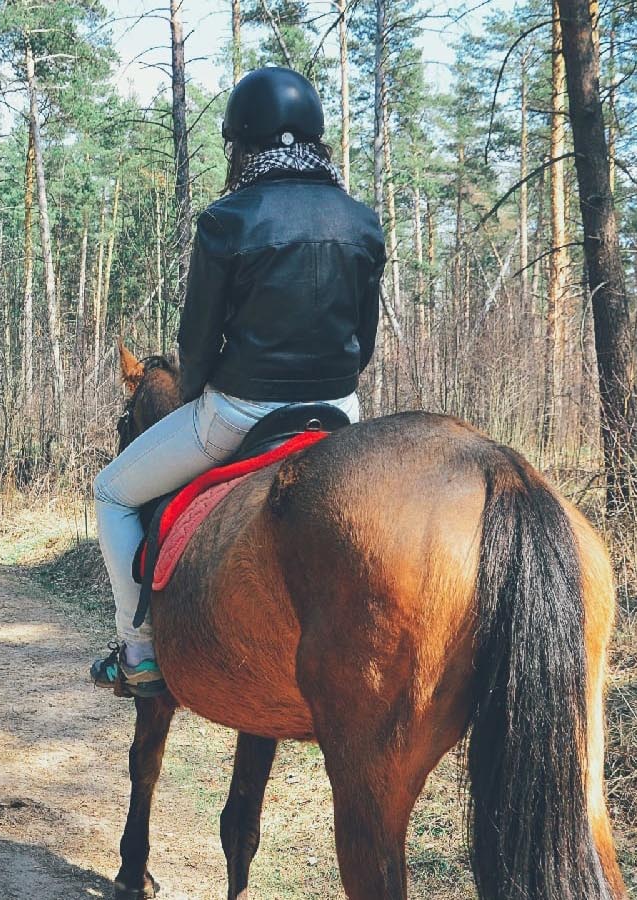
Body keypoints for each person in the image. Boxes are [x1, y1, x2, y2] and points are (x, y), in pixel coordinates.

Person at [88, 67, 385, 698]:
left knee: (112, 493)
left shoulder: (227, 219)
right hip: (340, 411)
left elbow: (196, 345)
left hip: (240, 413)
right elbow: (364, 340)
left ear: (243, 142)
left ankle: (138, 650)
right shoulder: (362, 221)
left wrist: (197, 391)